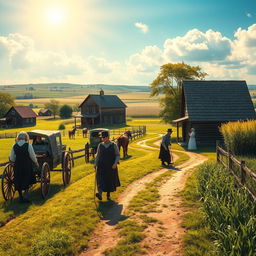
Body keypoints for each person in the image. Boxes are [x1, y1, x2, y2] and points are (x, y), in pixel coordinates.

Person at [9, 131, 39, 203]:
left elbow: (12, 158)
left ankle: (20, 196)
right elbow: (32, 156)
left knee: (18, 178)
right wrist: (36, 163)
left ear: (18, 138)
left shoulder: (14, 146)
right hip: (26, 164)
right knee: (27, 177)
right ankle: (25, 195)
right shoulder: (28, 145)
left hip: (18, 165)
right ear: (26, 138)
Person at [94, 131, 120, 200]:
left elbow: (117, 155)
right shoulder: (100, 145)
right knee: (100, 180)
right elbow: (98, 155)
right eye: (102, 137)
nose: (103, 139)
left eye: (104, 137)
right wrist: (95, 164)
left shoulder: (113, 145)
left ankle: (108, 195)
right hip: (101, 166)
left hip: (110, 166)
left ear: (108, 137)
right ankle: (99, 193)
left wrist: (115, 163)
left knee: (109, 180)